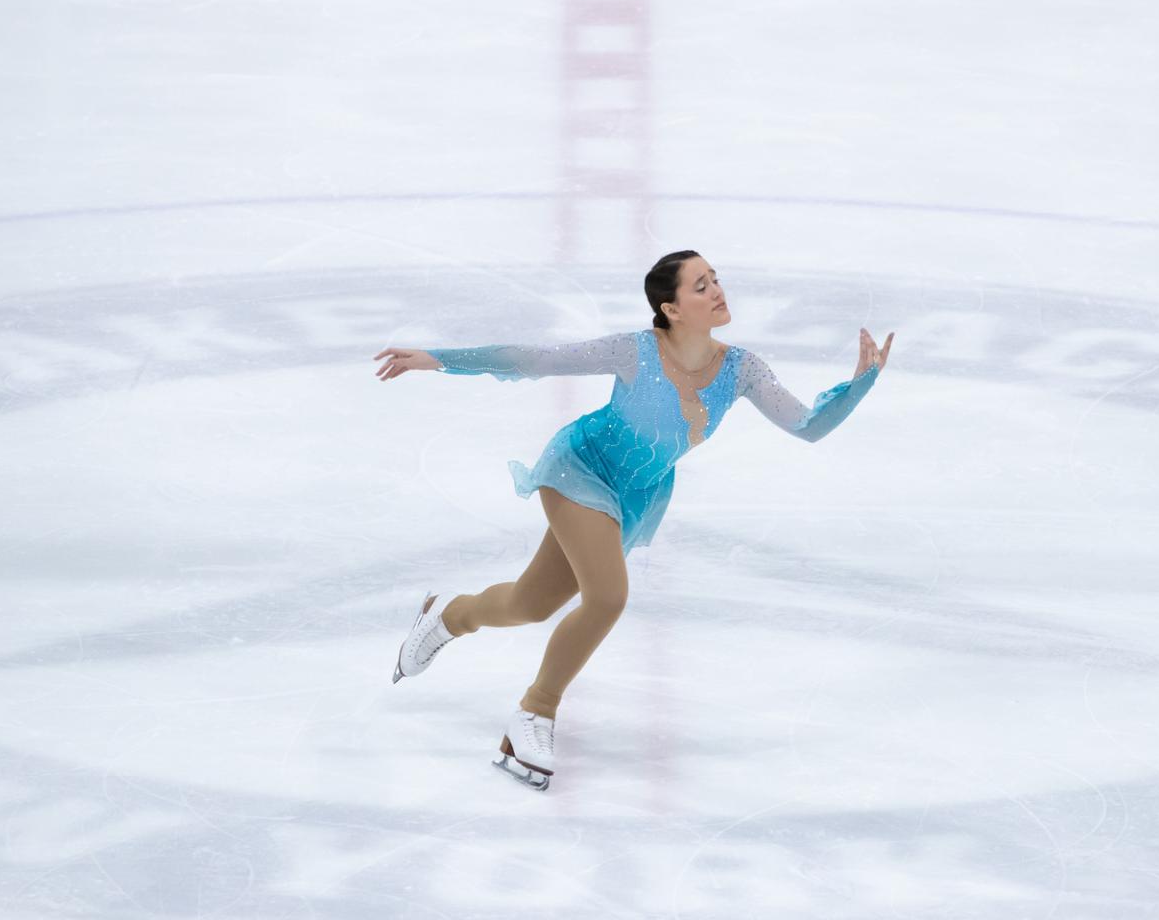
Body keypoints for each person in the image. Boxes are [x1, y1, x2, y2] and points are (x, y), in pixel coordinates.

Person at [372, 250, 894, 791]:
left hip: (635, 496)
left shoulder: (742, 369)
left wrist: (861, 383)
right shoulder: (636, 351)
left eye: (714, 279)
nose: (717, 290)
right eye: (700, 286)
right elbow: (538, 359)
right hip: (580, 469)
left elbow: (807, 426)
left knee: (532, 603)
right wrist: (440, 358)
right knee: (607, 598)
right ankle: (535, 711)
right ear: (670, 308)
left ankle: (447, 616)